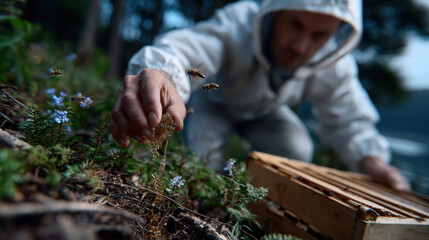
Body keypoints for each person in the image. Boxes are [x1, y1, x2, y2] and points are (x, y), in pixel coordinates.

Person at [110, 0, 410, 191]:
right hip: (214, 104)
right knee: (202, 161)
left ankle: (260, 207)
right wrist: (161, 73)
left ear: (335, 38)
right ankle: (207, 202)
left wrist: (371, 161)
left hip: (267, 113)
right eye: (295, 24)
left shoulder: (336, 67)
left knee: (297, 148)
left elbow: (348, 120)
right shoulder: (238, 22)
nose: (300, 47)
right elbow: (187, 50)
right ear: (275, 12)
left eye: (319, 36)